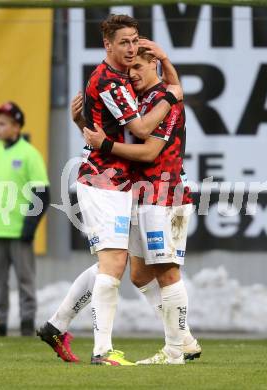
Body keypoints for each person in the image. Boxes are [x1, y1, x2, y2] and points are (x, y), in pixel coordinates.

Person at [37, 14, 182, 365]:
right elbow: (144, 130)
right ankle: (102, 350)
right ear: (107, 45)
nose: (132, 48)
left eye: (135, 40)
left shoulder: (120, 78)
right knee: (114, 262)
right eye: (124, 42)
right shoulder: (111, 82)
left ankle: (56, 325)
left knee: (111, 261)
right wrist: (171, 96)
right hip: (104, 182)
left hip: (122, 182)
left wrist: (165, 65)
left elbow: (104, 130)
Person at [84, 44, 199, 365]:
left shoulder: (167, 103)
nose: (131, 74)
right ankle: (184, 338)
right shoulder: (146, 100)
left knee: (167, 271)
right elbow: (173, 88)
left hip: (165, 195)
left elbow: (149, 153)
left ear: (155, 68)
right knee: (138, 274)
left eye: (139, 67)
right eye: (130, 68)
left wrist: (105, 145)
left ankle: (176, 350)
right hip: (141, 195)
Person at [0, 101, 50, 336]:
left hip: (19, 231)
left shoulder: (29, 155)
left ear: (16, 127)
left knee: (25, 282)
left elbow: (42, 194)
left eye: (2, 124)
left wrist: (28, 228)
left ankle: (27, 326)